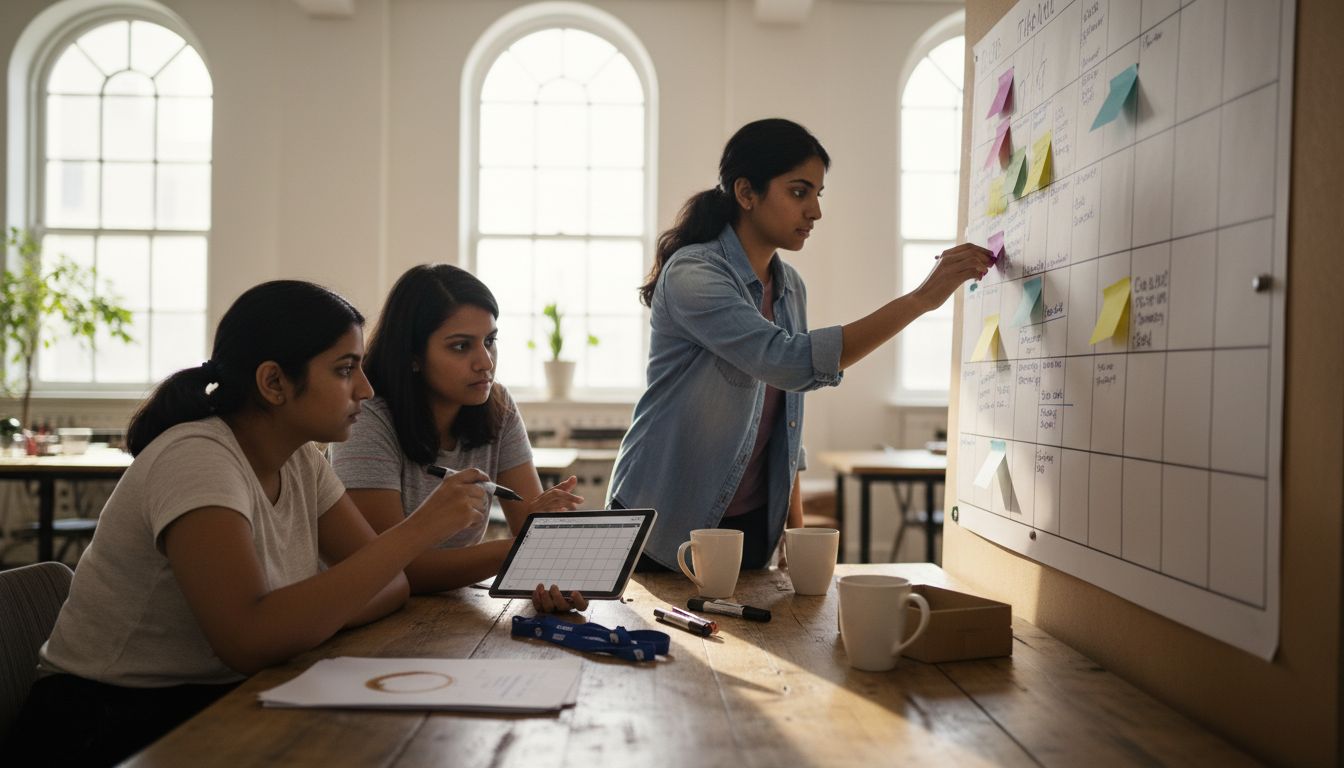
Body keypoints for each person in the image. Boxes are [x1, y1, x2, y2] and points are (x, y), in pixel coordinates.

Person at [3, 280, 488, 766]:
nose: (365, 388)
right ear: (273, 382)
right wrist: (416, 531)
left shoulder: (302, 461)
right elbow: (248, 640)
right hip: (106, 724)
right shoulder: (197, 457)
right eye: (345, 370)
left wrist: (293, 618)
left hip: (216, 698)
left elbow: (392, 586)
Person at [607, 118, 990, 570]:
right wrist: (921, 299)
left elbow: (783, 417)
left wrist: (793, 525)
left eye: (817, 195)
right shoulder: (695, 274)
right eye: (798, 192)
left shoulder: (791, 286)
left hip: (750, 525)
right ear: (746, 193)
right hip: (665, 522)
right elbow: (788, 363)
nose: (815, 211)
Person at [331, 264, 587, 612]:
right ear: (414, 356)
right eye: (461, 346)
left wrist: (549, 571)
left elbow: (534, 536)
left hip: (452, 610)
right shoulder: (368, 416)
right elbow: (391, 570)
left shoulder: (498, 405)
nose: (485, 362)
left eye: (490, 341)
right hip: (365, 617)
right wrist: (519, 547)